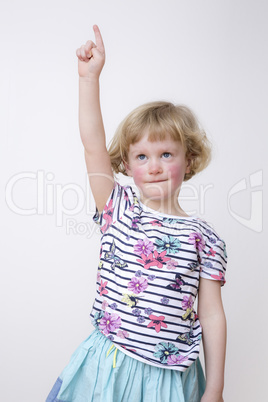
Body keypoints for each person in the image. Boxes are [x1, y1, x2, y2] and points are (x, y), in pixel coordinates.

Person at [46, 25, 227, 402]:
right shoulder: (119, 208)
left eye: (166, 155)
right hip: (108, 366)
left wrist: (215, 388)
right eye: (142, 157)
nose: (155, 166)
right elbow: (93, 144)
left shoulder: (205, 238)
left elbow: (211, 315)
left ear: (188, 160)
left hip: (169, 379)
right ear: (127, 165)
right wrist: (89, 79)